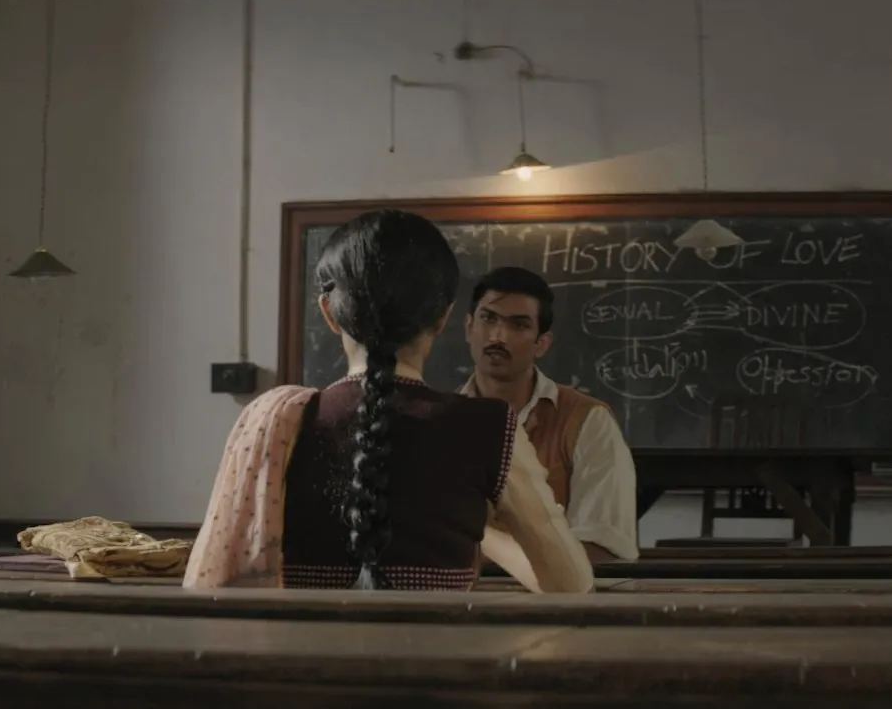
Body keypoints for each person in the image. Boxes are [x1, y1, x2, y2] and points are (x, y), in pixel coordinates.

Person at [184, 209, 593, 595]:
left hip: (296, 649)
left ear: (329, 313)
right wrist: (476, 528)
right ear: (443, 317)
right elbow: (571, 584)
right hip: (445, 651)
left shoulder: (282, 423)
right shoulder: (491, 427)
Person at [459, 267, 639, 563]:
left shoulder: (587, 421)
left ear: (541, 344)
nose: (498, 336)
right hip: (459, 591)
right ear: (468, 328)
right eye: (488, 318)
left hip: (552, 592)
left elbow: (604, 546)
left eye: (518, 325)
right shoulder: (439, 419)